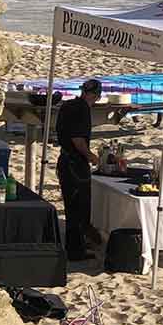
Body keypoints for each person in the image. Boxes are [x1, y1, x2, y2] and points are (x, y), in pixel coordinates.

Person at [55, 79, 101, 261]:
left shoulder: (68, 105)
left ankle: (78, 244)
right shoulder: (81, 109)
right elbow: (78, 139)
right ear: (96, 96)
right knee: (78, 207)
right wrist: (91, 156)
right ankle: (76, 250)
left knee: (71, 205)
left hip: (64, 160)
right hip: (74, 163)